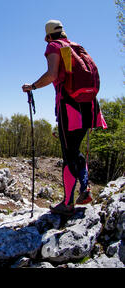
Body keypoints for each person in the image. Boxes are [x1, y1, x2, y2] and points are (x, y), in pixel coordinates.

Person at [22, 20, 107, 216]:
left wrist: (32, 86)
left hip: (70, 106)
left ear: (49, 36)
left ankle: (68, 203)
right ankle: (84, 190)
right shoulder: (76, 46)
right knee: (74, 150)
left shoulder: (54, 46)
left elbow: (52, 74)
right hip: (90, 105)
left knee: (68, 154)